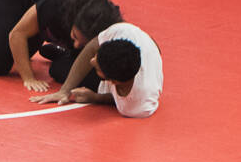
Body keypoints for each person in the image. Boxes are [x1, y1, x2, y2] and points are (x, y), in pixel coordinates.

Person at [34, 10, 165, 119]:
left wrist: (95, 97)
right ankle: (69, 52)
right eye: (97, 56)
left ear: (111, 81)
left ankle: (62, 55)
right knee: (81, 51)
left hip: (122, 75)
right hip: (125, 58)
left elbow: (120, 99)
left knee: (56, 69)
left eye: (97, 67)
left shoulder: (137, 107)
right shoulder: (122, 32)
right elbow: (92, 47)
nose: (92, 61)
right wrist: (65, 90)